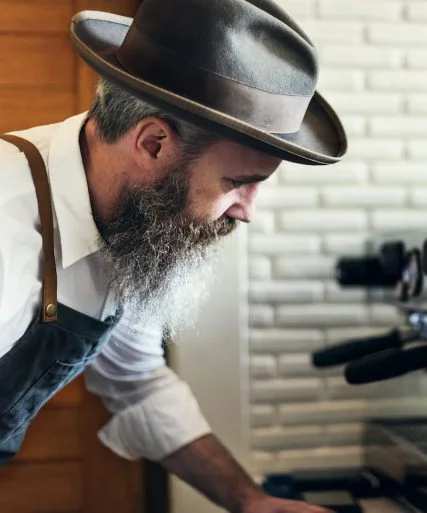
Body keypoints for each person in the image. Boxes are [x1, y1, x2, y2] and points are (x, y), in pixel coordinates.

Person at [0, 0, 346, 512]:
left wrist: (249, 501)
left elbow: (137, 382)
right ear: (155, 143)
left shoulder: (131, 219)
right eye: (236, 184)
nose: (246, 212)